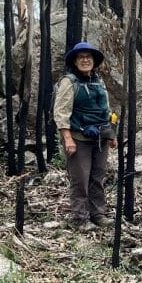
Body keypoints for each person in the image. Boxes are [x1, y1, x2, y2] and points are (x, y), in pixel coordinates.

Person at [53, 41, 117, 230]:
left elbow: (106, 109)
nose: (85, 60)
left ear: (94, 60)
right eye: (81, 57)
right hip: (78, 139)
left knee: (97, 178)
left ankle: (98, 214)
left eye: (88, 57)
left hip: (100, 138)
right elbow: (61, 112)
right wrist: (67, 138)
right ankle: (80, 218)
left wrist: (111, 134)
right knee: (80, 179)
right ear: (75, 61)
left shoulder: (98, 81)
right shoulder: (69, 82)